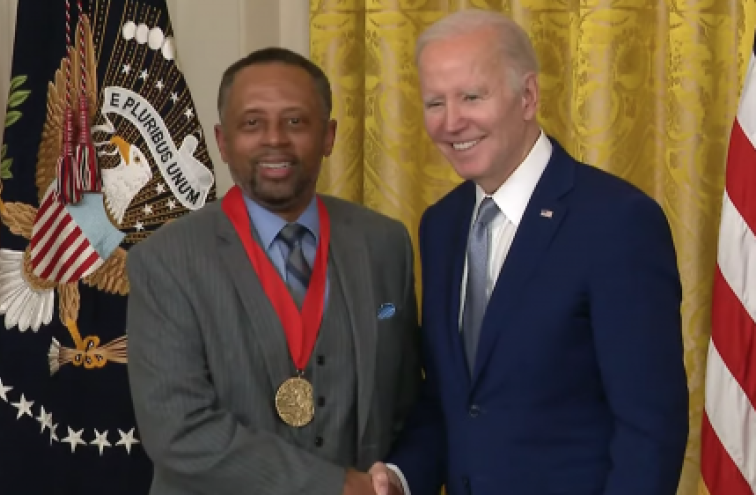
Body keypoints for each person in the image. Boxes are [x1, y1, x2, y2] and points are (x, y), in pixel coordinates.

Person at [369, 9, 689, 495]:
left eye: (472, 97)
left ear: (528, 97)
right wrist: (400, 477)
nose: (452, 122)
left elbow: (650, 428)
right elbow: (453, 400)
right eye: (435, 102)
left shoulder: (617, 221)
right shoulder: (441, 225)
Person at [126, 46, 421, 495]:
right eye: (252, 123)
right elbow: (180, 432)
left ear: (329, 136)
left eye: (296, 121)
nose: (275, 139)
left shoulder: (384, 243)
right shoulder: (165, 260)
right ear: (222, 142)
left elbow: (406, 403)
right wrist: (333, 486)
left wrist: (395, 480)